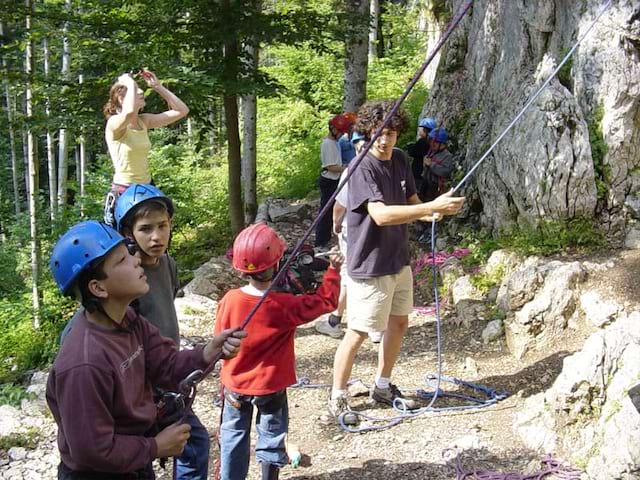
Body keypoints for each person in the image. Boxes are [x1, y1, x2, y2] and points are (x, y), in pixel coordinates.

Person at [46, 220, 246, 478]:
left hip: (132, 461)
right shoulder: (84, 363)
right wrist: (155, 446)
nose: (136, 260)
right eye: (122, 261)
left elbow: (166, 365)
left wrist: (209, 351)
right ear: (98, 288)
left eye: (129, 253)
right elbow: (91, 450)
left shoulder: (128, 320)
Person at [328, 100, 465, 425]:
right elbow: (382, 214)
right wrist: (429, 207)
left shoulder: (401, 160)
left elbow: (412, 202)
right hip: (369, 263)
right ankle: (337, 395)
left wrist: (437, 210)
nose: (384, 140)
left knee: (399, 323)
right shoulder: (361, 167)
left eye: (390, 133)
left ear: (398, 132)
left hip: (398, 260)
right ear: (367, 134)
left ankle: (383, 385)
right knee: (359, 331)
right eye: (378, 133)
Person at [215, 223, 342, 480]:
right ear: (277, 263)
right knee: (272, 438)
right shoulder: (283, 305)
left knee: (232, 437)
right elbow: (325, 302)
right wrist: (334, 270)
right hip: (270, 387)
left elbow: (219, 341)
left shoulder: (229, 300)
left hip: (235, 386)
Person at [114, 183, 210, 479]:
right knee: (144, 461)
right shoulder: (128, 277)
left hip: (169, 376)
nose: (156, 237)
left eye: (162, 226)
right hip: (145, 385)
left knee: (194, 445)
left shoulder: (168, 264)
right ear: (129, 233)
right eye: (145, 229)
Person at [314, 132, 383, 343]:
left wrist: (336, 226)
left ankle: (335, 321)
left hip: (353, 231)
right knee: (377, 272)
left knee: (347, 274)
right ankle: (376, 327)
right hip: (380, 229)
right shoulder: (385, 167)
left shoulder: (352, 170)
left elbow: (340, 205)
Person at [103, 68, 189, 227]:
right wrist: (128, 81)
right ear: (122, 98)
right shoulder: (114, 123)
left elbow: (182, 110)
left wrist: (157, 86)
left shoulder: (144, 121)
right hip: (124, 192)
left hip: (147, 189)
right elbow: (128, 113)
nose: (142, 91)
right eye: (136, 90)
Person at [315, 114, 352, 250]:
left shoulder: (335, 143)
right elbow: (331, 166)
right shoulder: (328, 144)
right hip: (329, 180)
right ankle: (320, 242)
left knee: (330, 210)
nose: (342, 134)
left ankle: (327, 238)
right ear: (333, 129)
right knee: (325, 211)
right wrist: (347, 169)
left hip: (334, 179)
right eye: (340, 131)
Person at [417, 127, 454, 244]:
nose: (431, 144)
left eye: (434, 142)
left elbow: (446, 172)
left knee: (433, 210)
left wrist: (431, 164)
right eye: (431, 141)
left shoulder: (446, 156)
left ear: (440, 143)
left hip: (436, 187)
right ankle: (423, 229)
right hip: (427, 184)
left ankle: (432, 232)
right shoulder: (433, 152)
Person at [406, 117, 436, 193]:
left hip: (418, 172)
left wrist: (409, 146)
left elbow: (413, 152)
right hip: (427, 173)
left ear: (425, 130)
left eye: (420, 128)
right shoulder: (433, 142)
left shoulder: (423, 141)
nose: (419, 130)